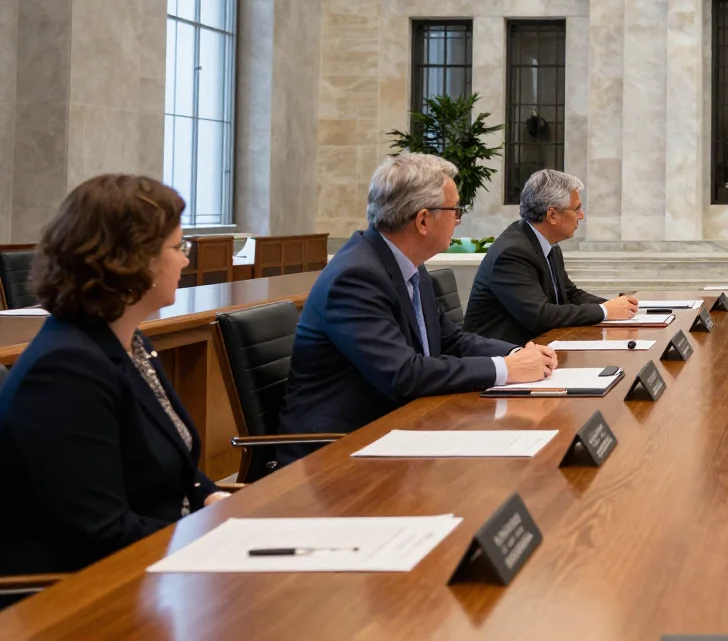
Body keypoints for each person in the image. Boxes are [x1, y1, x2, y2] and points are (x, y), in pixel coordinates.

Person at [0, 175, 230, 576]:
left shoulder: (127, 341)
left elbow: (169, 459)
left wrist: (211, 498)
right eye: (177, 248)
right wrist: (208, 539)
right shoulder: (65, 370)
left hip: (150, 566)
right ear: (133, 261)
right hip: (83, 597)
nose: (186, 259)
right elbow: (100, 531)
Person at [277, 154, 558, 461]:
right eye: (455, 210)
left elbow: (451, 339)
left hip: (399, 426)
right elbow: (403, 375)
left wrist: (515, 354)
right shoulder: (355, 277)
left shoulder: (408, 265)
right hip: (337, 450)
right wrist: (505, 370)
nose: (459, 220)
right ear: (423, 220)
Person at [464, 169, 637, 344]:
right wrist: (604, 311)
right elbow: (540, 315)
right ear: (552, 215)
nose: (582, 216)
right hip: (502, 359)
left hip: (539, 348)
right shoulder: (512, 252)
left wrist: (617, 306)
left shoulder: (548, 244)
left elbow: (570, 295)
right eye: (576, 209)